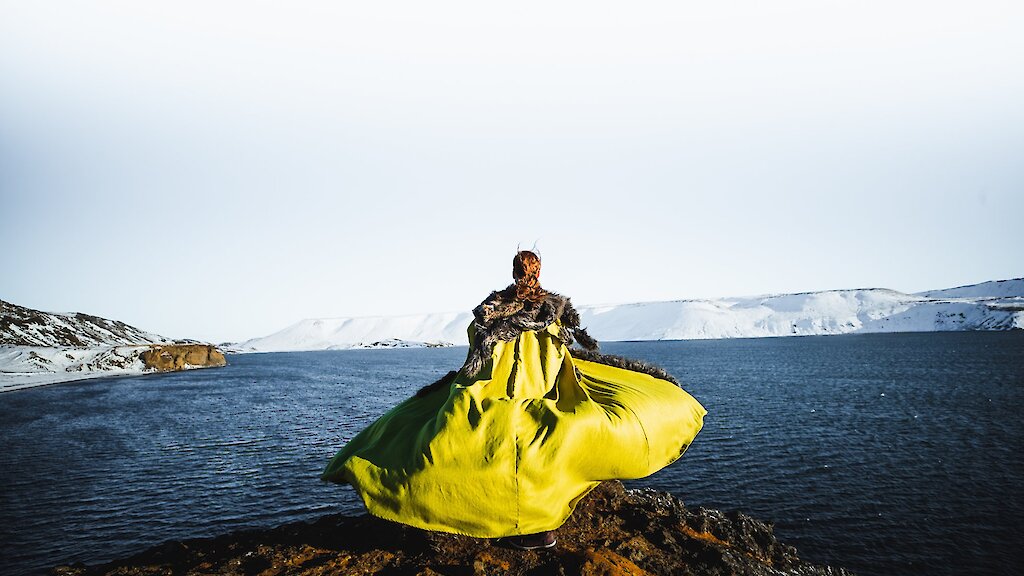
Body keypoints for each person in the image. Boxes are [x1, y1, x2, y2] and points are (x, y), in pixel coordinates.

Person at [322, 250, 706, 550]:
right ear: (538, 272)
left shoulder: (489, 315)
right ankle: (538, 528)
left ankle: (493, 521)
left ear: (513, 271)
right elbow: (559, 356)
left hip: (495, 396)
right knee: (552, 444)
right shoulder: (555, 314)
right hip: (542, 395)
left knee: (437, 439)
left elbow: (477, 359)